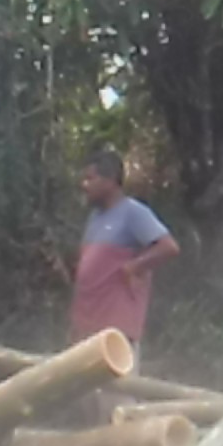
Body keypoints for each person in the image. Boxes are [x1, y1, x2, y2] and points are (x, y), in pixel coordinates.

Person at [70, 150, 180, 361]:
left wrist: (134, 267)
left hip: (117, 334)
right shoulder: (94, 218)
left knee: (116, 383)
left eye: (90, 178)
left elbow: (168, 247)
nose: (84, 185)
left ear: (111, 180)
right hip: (87, 330)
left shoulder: (133, 213)